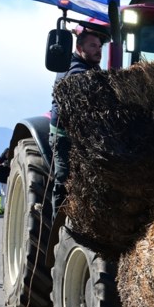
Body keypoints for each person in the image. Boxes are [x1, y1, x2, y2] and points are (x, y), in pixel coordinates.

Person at [50, 24, 107, 225]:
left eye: (99, 46)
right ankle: (58, 227)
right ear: (79, 48)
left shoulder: (94, 69)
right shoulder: (74, 70)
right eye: (92, 45)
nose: (98, 50)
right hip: (65, 136)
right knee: (65, 181)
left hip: (87, 135)